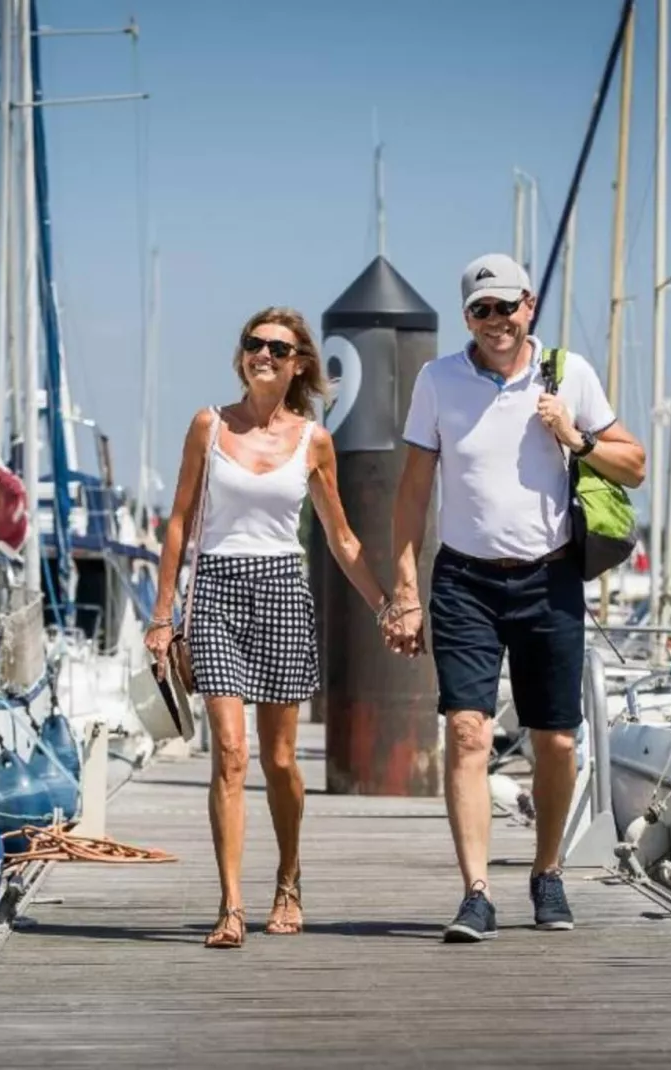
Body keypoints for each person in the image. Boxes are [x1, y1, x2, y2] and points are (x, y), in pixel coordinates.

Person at [385, 254, 646, 939]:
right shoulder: (437, 380)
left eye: (507, 306)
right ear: (467, 316)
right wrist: (405, 587)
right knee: (467, 731)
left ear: (529, 305)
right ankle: (476, 892)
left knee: (555, 741)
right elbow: (412, 492)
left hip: (548, 577)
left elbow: (635, 465)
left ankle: (547, 871)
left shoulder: (568, 374)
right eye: (482, 310)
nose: (496, 320)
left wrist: (575, 436)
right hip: (464, 580)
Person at [146, 306, 396, 949]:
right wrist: (163, 614)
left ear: (298, 364)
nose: (263, 354)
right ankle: (231, 904)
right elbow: (179, 522)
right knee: (231, 753)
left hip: (283, 590)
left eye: (278, 348)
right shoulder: (209, 425)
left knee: (280, 759)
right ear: (242, 355)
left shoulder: (314, 441)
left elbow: (341, 539)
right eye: (254, 344)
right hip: (218, 590)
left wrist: (385, 607)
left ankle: (288, 877)